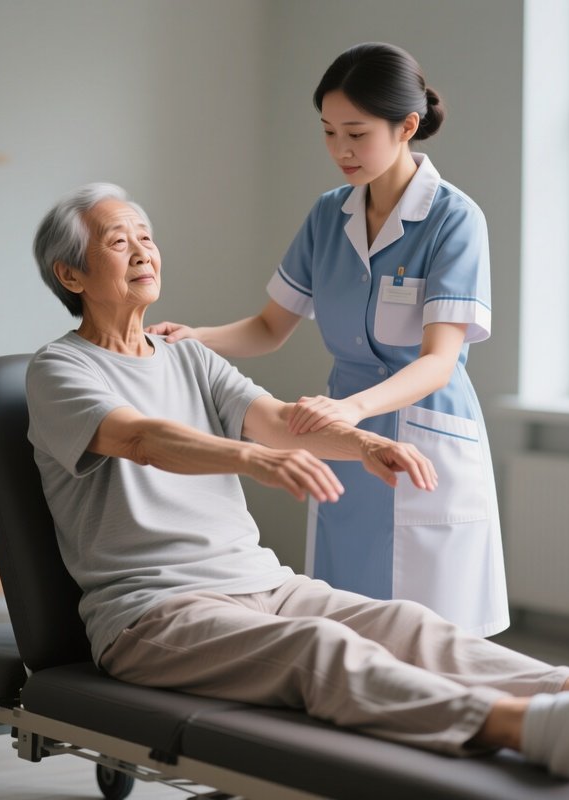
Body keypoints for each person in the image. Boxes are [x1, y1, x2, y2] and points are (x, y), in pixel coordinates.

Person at [25, 182, 569, 781]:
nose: (143, 251)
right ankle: (525, 729)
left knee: (409, 625)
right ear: (71, 275)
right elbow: (139, 437)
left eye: (146, 236)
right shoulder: (59, 369)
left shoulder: (190, 355)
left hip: (261, 584)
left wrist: (366, 443)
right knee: (322, 648)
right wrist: (247, 460)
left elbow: (277, 422)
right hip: (152, 614)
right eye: (118, 241)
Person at [147, 43, 508, 636]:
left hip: (423, 438)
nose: (341, 150)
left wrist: (351, 409)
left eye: (357, 134)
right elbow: (269, 327)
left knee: (437, 636)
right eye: (329, 132)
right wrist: (196, 337)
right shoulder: (327, 216)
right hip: (343, 440)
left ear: (407, 127)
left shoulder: (454, 219)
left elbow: (440, 361)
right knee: (351, 625)